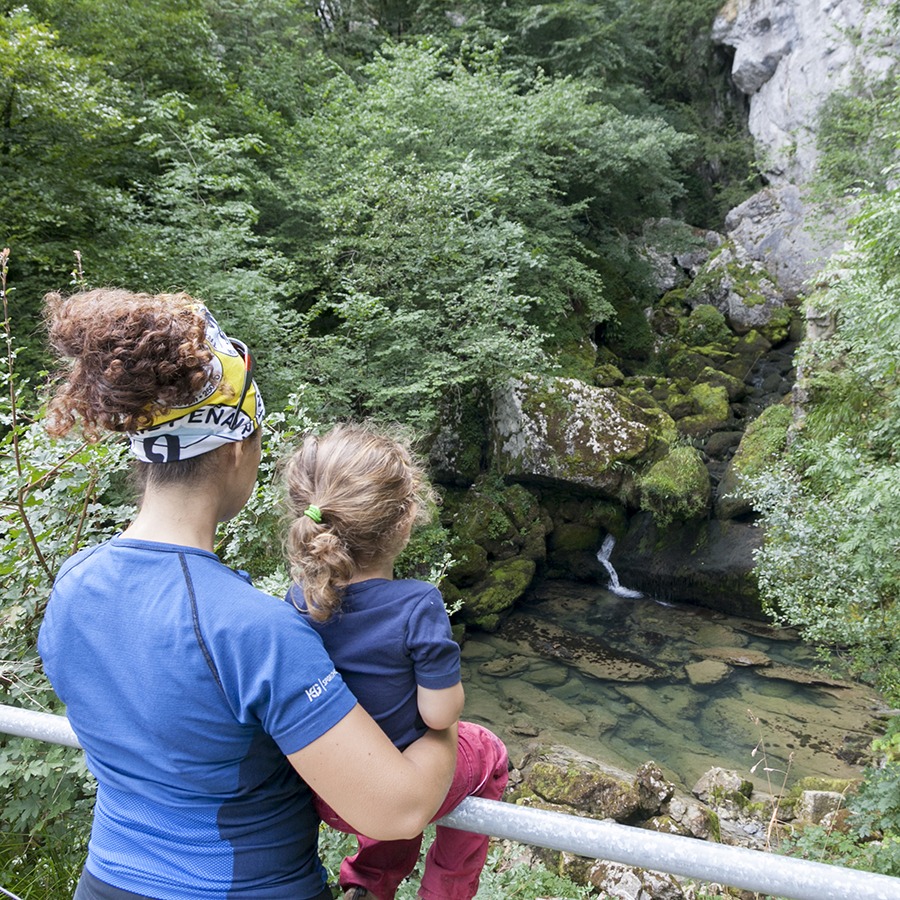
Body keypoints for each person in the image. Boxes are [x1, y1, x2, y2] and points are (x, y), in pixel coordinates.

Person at [37, 289, 458, 900]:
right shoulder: (253, 629)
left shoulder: (74, 583)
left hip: (105, 880)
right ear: (238, 447)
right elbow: (396, 810)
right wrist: (446, 734)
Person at [283, 424, 509, 900]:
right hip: (390, 789)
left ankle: (368, 884)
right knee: (488, 750)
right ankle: (445, 892)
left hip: (326, 789)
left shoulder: (298, 600)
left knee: (394, 755)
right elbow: (439, 714)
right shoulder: (418, 604)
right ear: (405, 520)